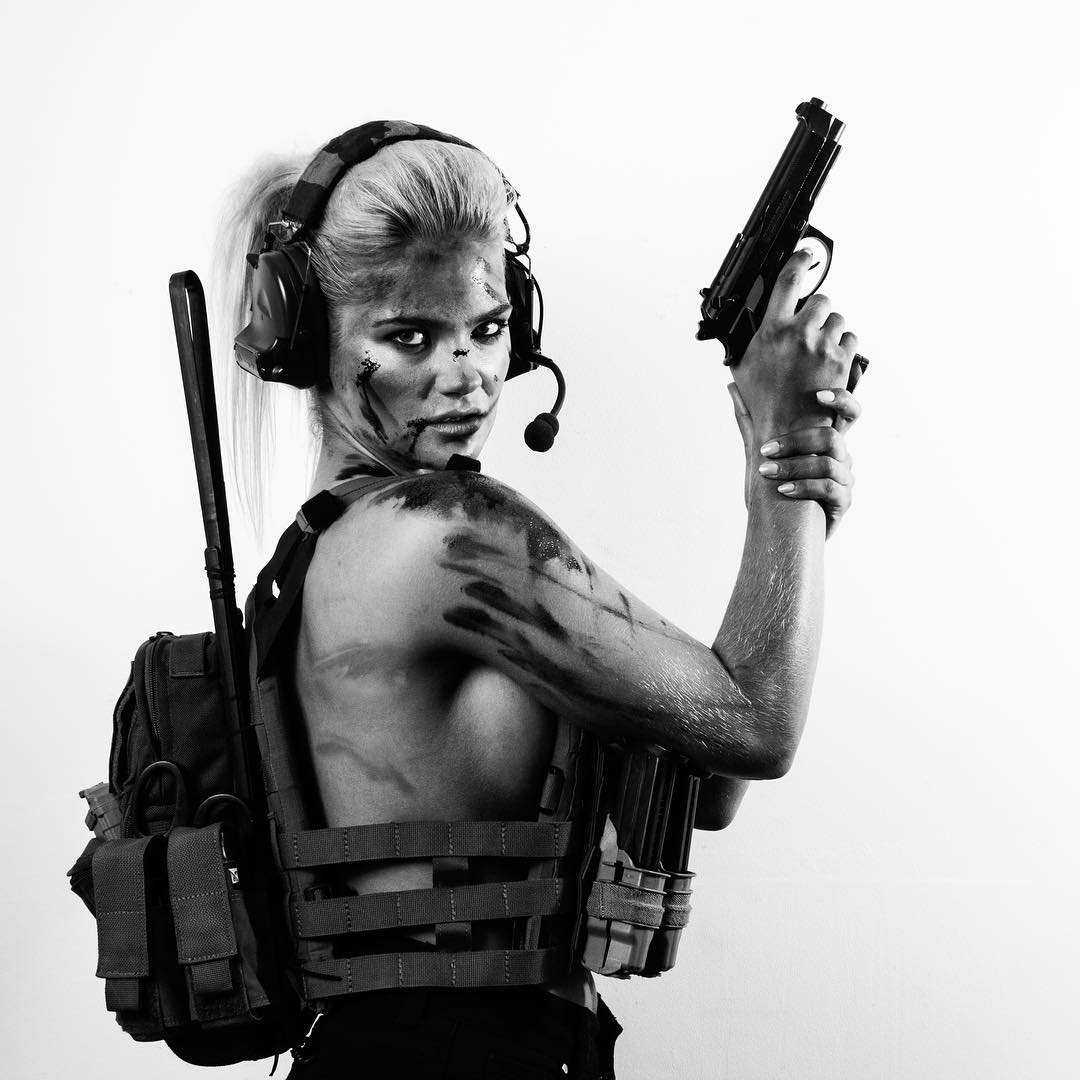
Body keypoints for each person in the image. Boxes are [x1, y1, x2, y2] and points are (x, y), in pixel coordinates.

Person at [217, 126, 862, 1079]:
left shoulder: (334, 545)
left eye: (486, 328)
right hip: (458, 1059)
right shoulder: (449, 534)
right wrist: (784, 452)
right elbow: (759, 725)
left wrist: (788, 492)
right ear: (310, 340)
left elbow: (710, 779)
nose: (468, 375)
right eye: (409, 336)